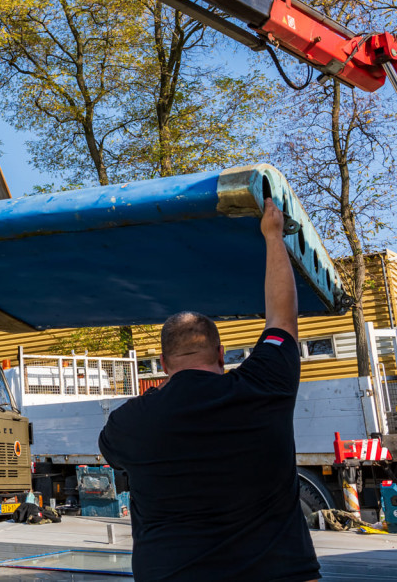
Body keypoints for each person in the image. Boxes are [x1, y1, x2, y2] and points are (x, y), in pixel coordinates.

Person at [98, 199, 320, 582]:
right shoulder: (263, 385)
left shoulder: (129, 422)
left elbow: (113, 453)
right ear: (221, 354)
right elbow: (282, 319)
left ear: (163, 364)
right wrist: (273, 235)